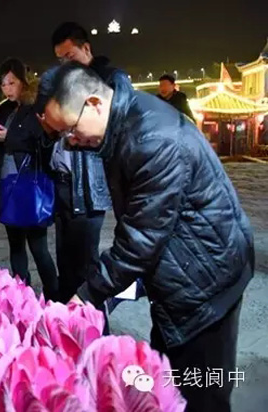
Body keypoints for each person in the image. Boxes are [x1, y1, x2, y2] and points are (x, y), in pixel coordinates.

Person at [36, 62, 254, 412]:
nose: (72, 142)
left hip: (208, 280)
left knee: (202, 393)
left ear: (93, 103)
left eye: (71, 130)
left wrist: (86, 295)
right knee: (168, 380)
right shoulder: (121, 126)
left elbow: (140, 240)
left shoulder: (153, 139)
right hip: (181, 271)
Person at [50, 22, 135, 308]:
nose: (65, 63)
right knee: (66, 266)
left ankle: (94, 332)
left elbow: (120, 128)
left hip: (89, 187)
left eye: (70, 56)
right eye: (60, 59)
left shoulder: (113, 79)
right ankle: (65, 331)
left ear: (86, 48)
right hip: (63, 186)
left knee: (88, 269)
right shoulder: (65, 85)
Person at [0, 58, 58, 299]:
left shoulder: (37, 106)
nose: (7, 89)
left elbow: (43, 142)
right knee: (15, 246)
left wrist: (9, 137)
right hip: (7, 183)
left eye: (11, 83)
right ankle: (22, 298)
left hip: (30, 183)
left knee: (39, 248)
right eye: (3, 84)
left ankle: (54, 295)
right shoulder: (3, 109)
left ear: (23, 82)